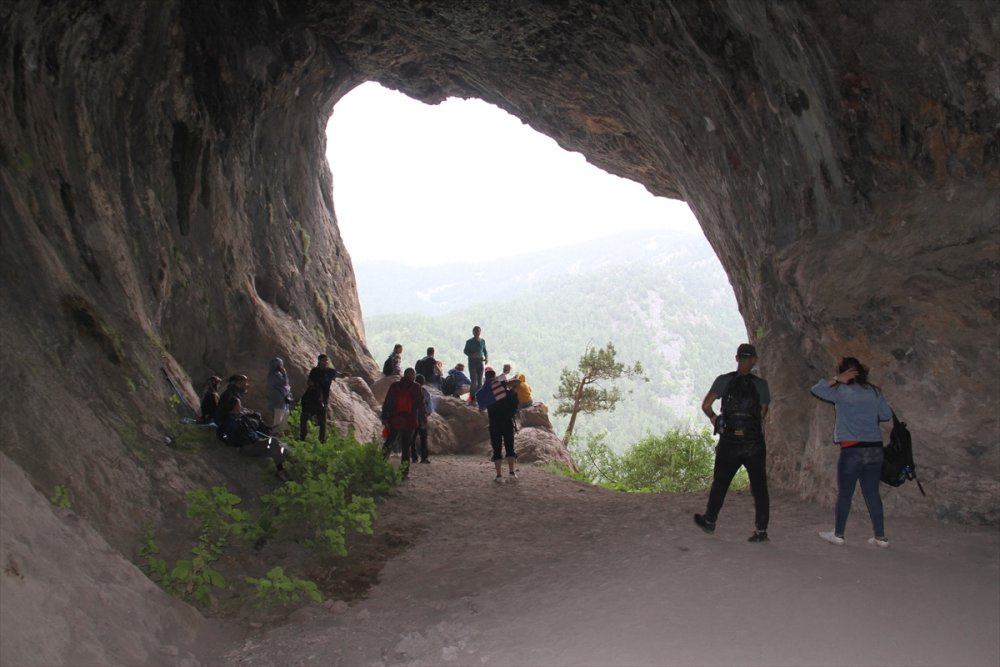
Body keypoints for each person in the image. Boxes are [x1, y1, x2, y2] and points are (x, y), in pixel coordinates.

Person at [811, 357, 894, 548]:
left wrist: (836, 379)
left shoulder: (841, 392)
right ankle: (880, 537)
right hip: (874, 448)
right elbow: (886, 415)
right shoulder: (874, 392)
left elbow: (816, 389)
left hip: (852, 449)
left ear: (844, 372)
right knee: (872, 493)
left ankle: (839, 534)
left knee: (845, 493)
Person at [694, 343, 771, 543]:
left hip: (729, 442)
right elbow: (762, 414)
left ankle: (710, 521)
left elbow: (706, 405)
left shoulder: (724, 380)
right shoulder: (761, 385)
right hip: (753, 443)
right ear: (754, 360)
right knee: (760, 487)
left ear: (737, 358)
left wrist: (714, 419)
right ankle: (761, 531)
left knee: (720, 483)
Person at [218, 395, 289, 480]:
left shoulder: (241, 417)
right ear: (235, 407)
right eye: (239, 404)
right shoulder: (230, 421)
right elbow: (238, 436)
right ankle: (281, 472)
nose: (241, 406)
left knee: (282, 447)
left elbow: (254, 426)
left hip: (255, 443)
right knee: (273, 442)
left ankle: (294, 465)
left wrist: (250, 415)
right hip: (247, 446)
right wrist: (241, 419)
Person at [381, 368, 426, 479]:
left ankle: (378, 465)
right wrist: (423, 420)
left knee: (389, 443)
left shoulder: (395, 386)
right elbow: (421, 406)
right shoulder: (416, 387)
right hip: (410, 421)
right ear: (413, 376)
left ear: (404, 375)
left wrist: (385, 417)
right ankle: (404, 473)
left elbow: (388, 402)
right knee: (406, 447)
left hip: (396, 420)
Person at [480, 368, 520, 483]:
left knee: (497, 449)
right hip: (507, 422)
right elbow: (515, 403)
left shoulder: (487, 393)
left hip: (494, 425)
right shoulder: (505, 391)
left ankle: (498, 476)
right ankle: (512, 474)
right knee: (510, 448)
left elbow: (481, 408)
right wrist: (506, 385)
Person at [300, 354, 347, 442]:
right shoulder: (315, 371)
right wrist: (314, 384)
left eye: (327, 360)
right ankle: (302, 438)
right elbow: (309, 381)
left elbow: (339, 375)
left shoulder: (330, 371)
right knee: (304, 417)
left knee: (322, 421)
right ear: (319, 361)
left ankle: (321, 441)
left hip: (323, 399)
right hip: (312, 397)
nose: (326, 362)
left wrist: (344, 374)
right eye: (324, 360)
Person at [463, 326, 488, 403]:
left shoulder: (482, 341)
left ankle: (477, 396)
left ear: (480, 332)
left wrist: (486, 358)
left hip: (480, 362)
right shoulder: (469, 341)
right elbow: (465, 351)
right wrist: (472, 355)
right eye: (475, 331)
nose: (477, 332)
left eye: (478, 331)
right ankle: (472, 397)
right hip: (472, 362)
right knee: (474, 381)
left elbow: (484, 350)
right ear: (473, 332)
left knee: (480, 381)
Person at [413, 374, 434, 464]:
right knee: (423, 439)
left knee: (411, 438)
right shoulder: (425, 392)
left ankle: (413, 457)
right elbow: (429, 407)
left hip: (412, 418)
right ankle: (424, 458)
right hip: (422, 419)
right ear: (423, 382)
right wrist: (426, 414)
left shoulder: (411, 390)